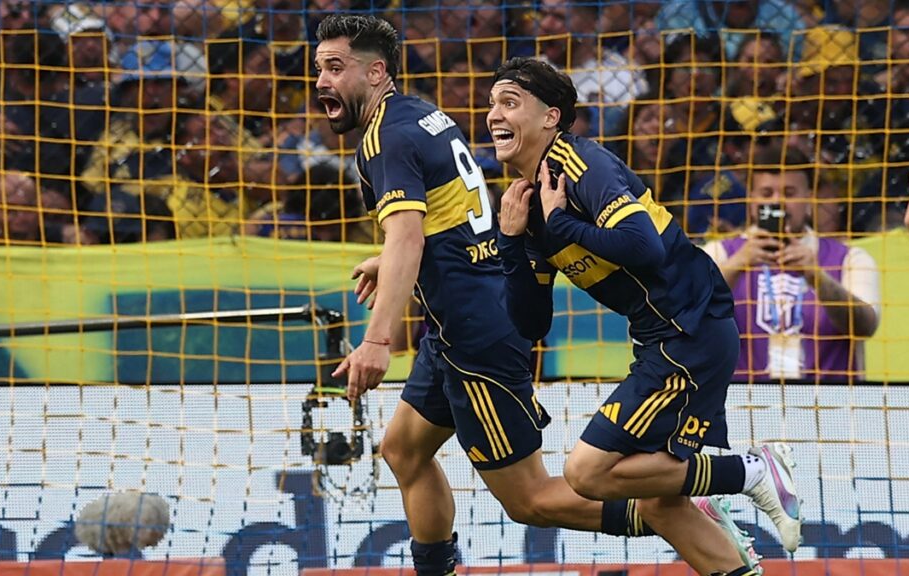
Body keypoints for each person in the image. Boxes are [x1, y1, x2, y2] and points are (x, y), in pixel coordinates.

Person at [314, 16, 759, 576]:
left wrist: (377, 339)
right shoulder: (421, 116)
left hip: (476, 335)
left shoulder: (388, 137)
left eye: (335, 68)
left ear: (376, 72)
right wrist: (400, 260)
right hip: (461, 321)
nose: (322, 82)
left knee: (531, 500)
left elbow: (406, 232)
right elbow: (451, 219)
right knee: (403, 450)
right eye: (318, 69)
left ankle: (676, 512)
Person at [488, 57, 804, 576]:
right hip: (668, 336)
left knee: (586, 472)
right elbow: (531, 324)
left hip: (689, 328)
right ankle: (727, 527)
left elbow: (646, 248)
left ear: (550, 117)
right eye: (492, 104)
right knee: (662, 502)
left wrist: (562, 224)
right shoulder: (527, 198)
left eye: (509, 102)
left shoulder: (584, 167)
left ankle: (749, 469)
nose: (493, 115)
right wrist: (511, 239)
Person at [702, 147, 880, 382]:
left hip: (831, 407)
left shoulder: (850, 258)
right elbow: (685, 315)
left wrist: (817, 277)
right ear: (751, 199)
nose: (778, 202)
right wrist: (737, 265)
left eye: (789, 192)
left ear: (808, 197)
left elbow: (866, 327)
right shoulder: (720, 253)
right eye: (766, 193)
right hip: (741, 404)